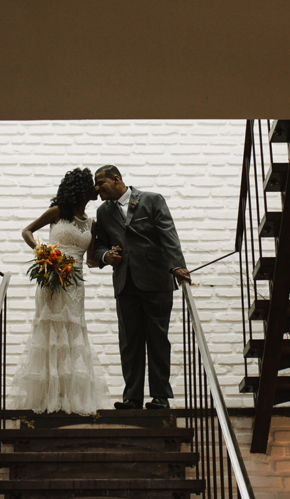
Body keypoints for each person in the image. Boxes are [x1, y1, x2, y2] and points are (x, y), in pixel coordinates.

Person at [10, 168, 110, 414]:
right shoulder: (56, 214)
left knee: (73, 332)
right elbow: (27, 231)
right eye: (92, 185)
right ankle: (48, 397)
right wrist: (43, 252)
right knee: (51, 333)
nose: (96, 189)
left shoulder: (91, 223)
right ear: (81, 189)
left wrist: (111, 256)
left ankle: (69, 397)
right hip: (52, 279)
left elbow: (90, 261)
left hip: (75, 284)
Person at [92, 165, 190, 411]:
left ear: (116, 180)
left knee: (158, 340)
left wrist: (178, 266)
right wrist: (106, 257)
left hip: (156, 281)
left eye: (101, 184)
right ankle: (132, 398)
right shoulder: (103, 211)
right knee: (129, 342)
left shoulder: (152, 200)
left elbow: (169, 234)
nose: (98, 190)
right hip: (125, 284)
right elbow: (99, 246)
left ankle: (160, 397)